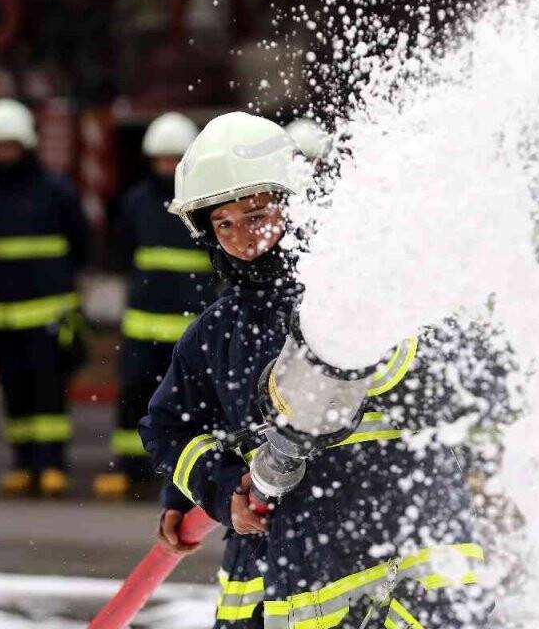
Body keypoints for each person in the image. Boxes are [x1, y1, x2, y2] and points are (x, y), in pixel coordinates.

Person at [139, 112, 489, 627]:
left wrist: (369, 366)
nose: (243, 237)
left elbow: (458, 390)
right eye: (224, 224)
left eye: (257, 214)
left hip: (410, 555)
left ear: (294, 203)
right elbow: (172, 428)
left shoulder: (372, 295)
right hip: (290, 567)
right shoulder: (216, 335)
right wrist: (217, 490)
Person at [0, 98, 88, 497]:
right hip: (2, 318)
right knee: (14, 394)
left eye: (11, 147)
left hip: (48, 315)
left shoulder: (56, 192)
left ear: (26, 146)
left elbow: (80, 244)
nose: (5, 155)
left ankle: (52, 464)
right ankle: (22, 463)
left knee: (49, 393)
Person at [94, 112, 218, 500]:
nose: (167, 167)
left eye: (175, 159)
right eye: (161, 159)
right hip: (141, 328)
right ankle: (130, 469)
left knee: (187, 405)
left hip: (188, 331)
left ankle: (179, 477)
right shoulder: (135, 203)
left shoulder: (204, 207)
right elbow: (120, 254)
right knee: (134, 397)